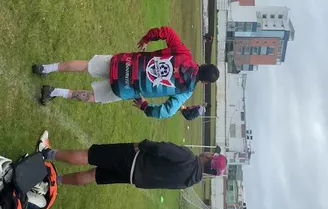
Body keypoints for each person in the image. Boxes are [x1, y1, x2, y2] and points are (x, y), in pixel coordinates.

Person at [33, 26, 219, 118]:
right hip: (127, 88)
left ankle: (46, 68)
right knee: (93, 97)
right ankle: (53, 92)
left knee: (86, 66)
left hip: (125, 62)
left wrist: (147, 38)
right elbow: (167, 112)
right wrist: (145, 107)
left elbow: (167, 32)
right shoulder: (186, 91)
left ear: (203, 64)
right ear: (204, 83)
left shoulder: (185, 54)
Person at [37, 131, 228, 187]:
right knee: (93, 175)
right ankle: (52, 181)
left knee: (90, 156)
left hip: (133, 159)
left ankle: (47, 153)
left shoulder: (189, 158)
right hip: (133, 178)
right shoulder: (191, 181)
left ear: (211, 157)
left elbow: (162, 149)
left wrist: (142, 145)